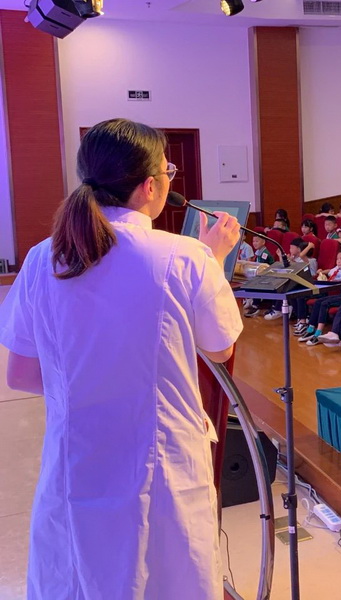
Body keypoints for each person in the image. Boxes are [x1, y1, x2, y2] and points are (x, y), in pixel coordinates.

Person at [0, 118, 243, 600]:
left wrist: (87, 386)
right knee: (169, 576)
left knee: (80, 577)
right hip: (164, 458)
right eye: (169, 171)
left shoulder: (43, 257)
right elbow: (219, 348)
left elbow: (22, 374)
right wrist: (215, 259)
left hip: (78, 459)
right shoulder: (186, 256)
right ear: (150, 185)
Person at [298, 248, 341, 345]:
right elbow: (332, 272)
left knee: (324, 303)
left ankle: (318, 333)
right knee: (318, 302)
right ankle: (311, 328)